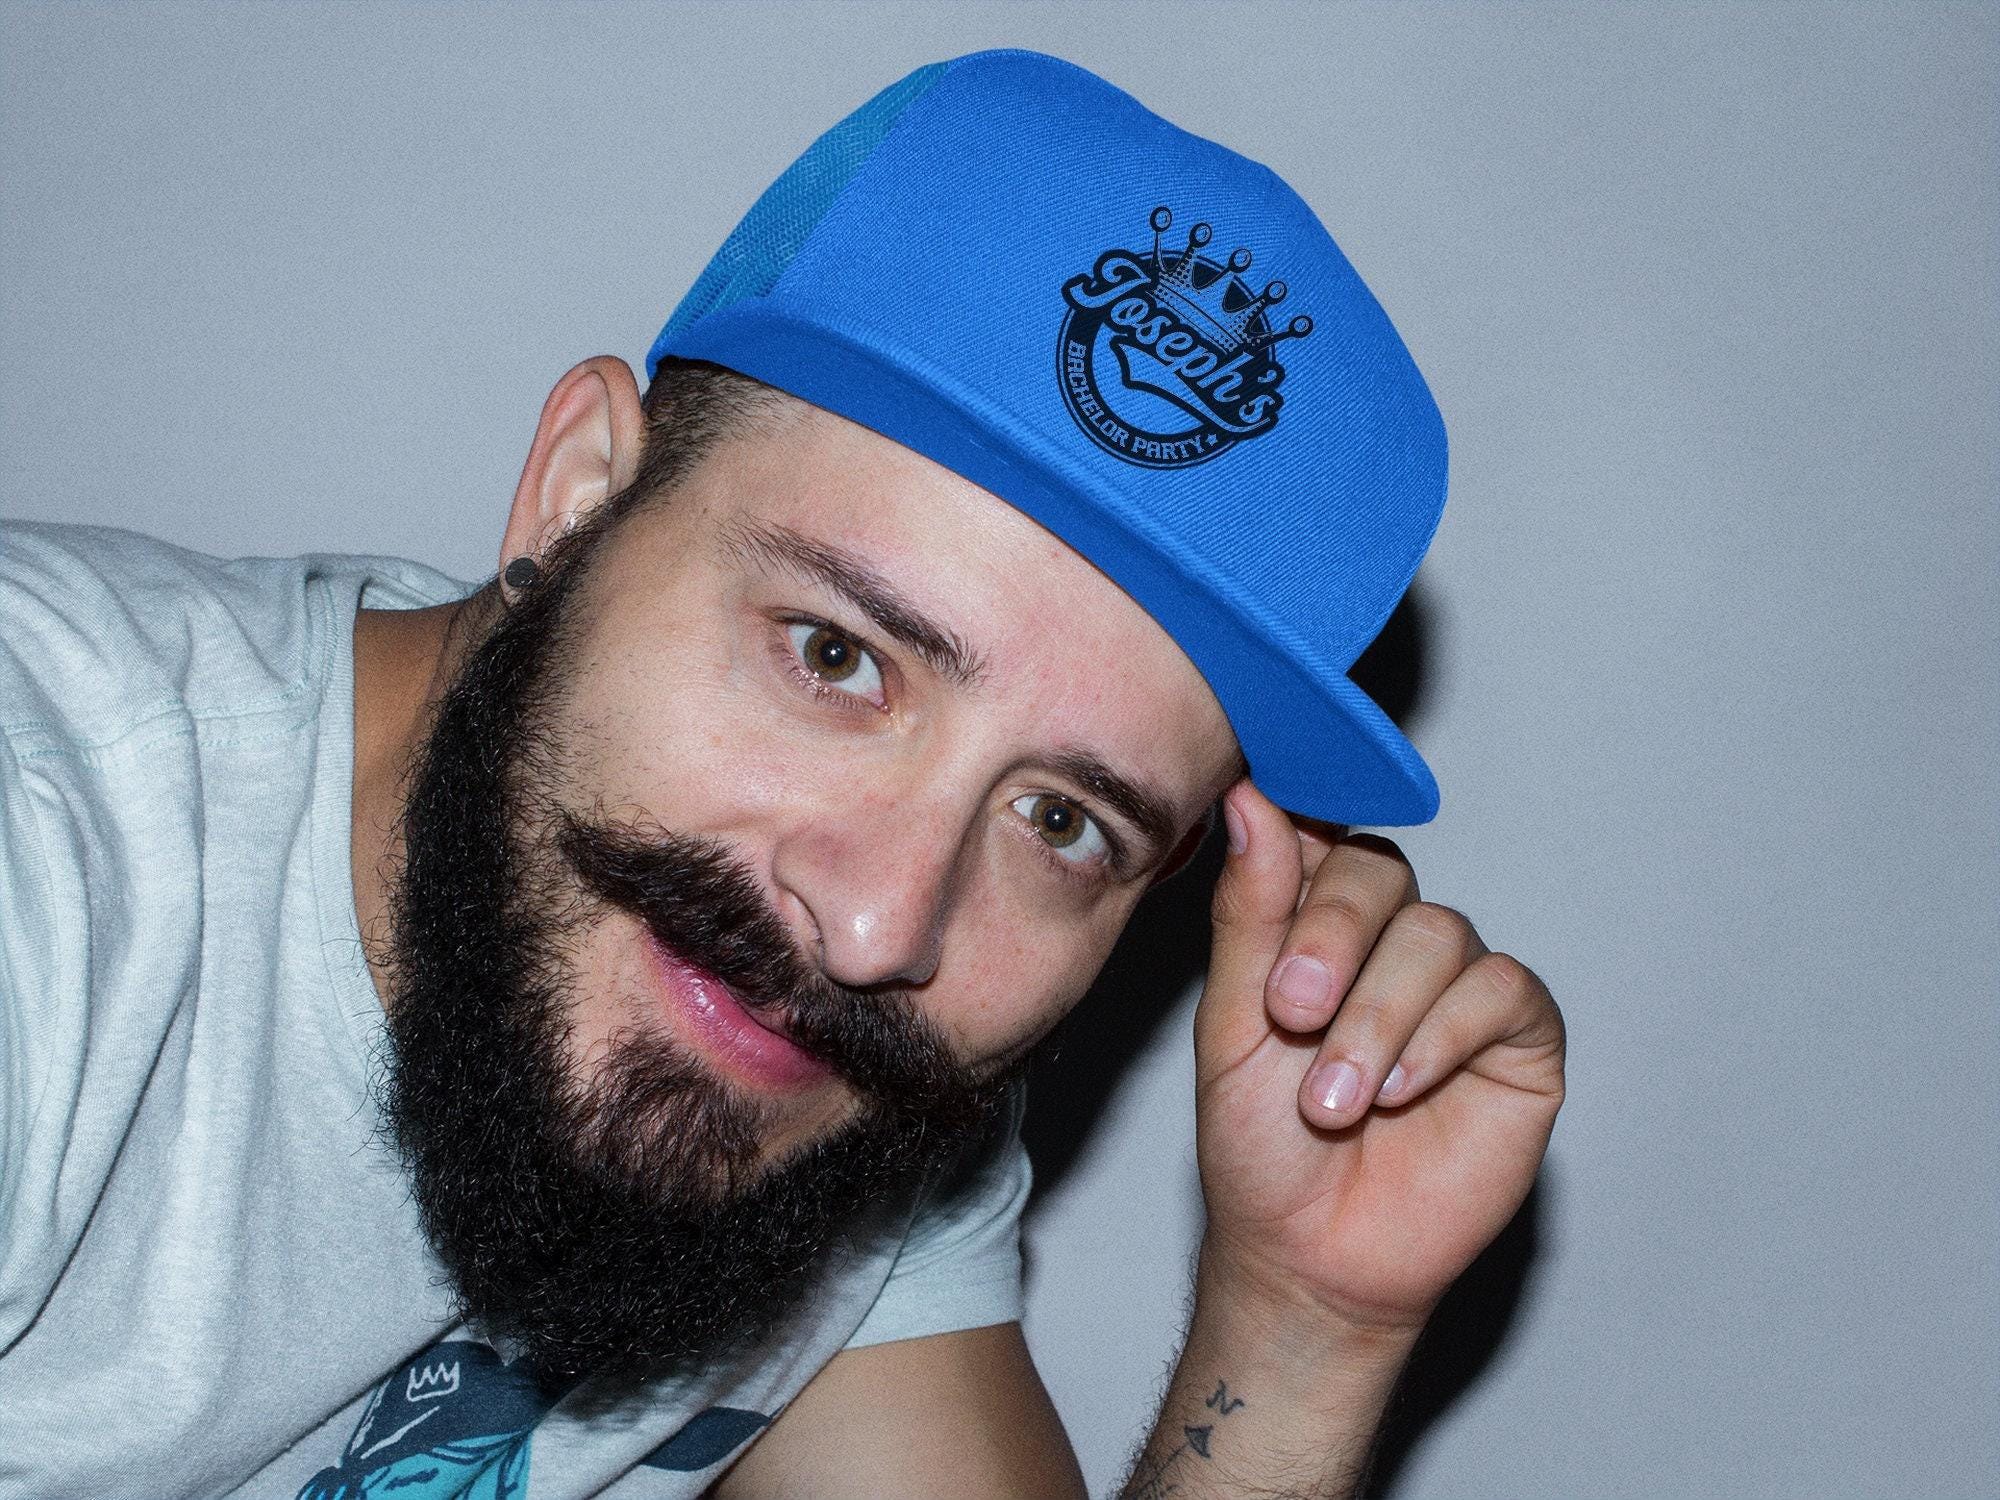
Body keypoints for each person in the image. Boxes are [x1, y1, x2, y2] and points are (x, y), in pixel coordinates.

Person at [0, 48, 1563, 1500]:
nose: (880, 927)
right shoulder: (50, 844)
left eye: (1060, 821)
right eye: (836, 657)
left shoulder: (813, 1079)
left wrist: (1299, 1334)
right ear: (575, 497)